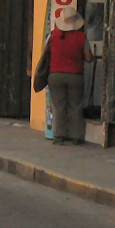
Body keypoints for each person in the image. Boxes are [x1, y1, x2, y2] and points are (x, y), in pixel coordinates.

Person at [47, 9, 92, 146]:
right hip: (75, 75)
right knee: (75, 105)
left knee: (59, 106)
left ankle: (59, 136)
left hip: (55, 75)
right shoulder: (82, 37)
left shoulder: (52, 36)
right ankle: (76, 136)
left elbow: (46, 54)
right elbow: (89, 58)